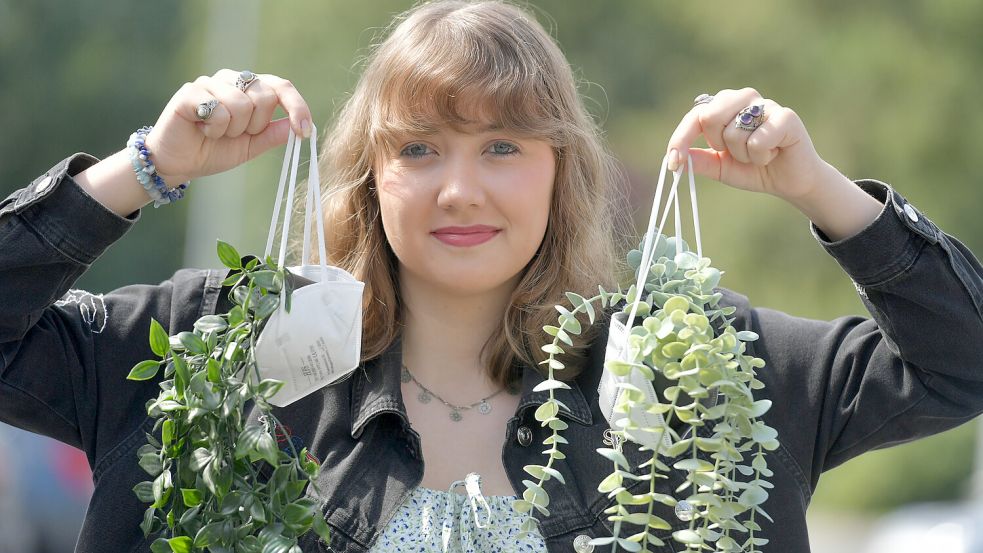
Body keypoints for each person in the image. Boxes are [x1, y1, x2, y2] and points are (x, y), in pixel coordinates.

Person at [1, 1, 981, 552]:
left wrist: (816, 188)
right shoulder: (211, 354)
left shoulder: (697, 368)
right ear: (371, 172)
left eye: (504, 145)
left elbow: (955, 359)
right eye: (420, 148)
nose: (459, 189)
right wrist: (141, 169)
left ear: (561, 171)